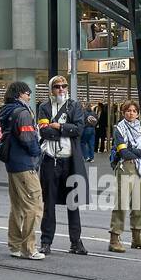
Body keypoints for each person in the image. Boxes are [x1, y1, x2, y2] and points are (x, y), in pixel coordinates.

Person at [36, 74, 90, 255]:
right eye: (57, 86)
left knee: (73, 203)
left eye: (64, 86)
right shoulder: (43, 106)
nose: (61, 89)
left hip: (70, 160)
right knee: (48, 203)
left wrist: (59, 127)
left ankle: (76, 242)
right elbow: (44, 132)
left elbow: (79, 130)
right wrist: (68, 129)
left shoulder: (74, 105)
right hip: (50, 160)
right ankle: (46, 242)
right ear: (51, 89)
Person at [0, 81, 45, 259]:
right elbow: (27, 138)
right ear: (19, 94)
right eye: (27, 93)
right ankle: (28, 247)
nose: (29, 96)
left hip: (12, 163)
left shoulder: (6, 110)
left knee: (17, 206)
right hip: (24, 164)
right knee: (35, 205)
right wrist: (37, 151)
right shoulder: (23, 113)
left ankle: (15, 245)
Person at [108, 99, 141, 252]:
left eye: (134, 111)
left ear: (137, 113)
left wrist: (134, 151)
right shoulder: (119, 129)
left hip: (138, 168)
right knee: (121, 203)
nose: (131, 113)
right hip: (124, 167)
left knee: (138, 204)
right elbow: (124, 153)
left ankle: (137, 237)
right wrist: (138, 150)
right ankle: (114, 238)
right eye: (128, 110)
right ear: (123, 112)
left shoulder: (140, 129)